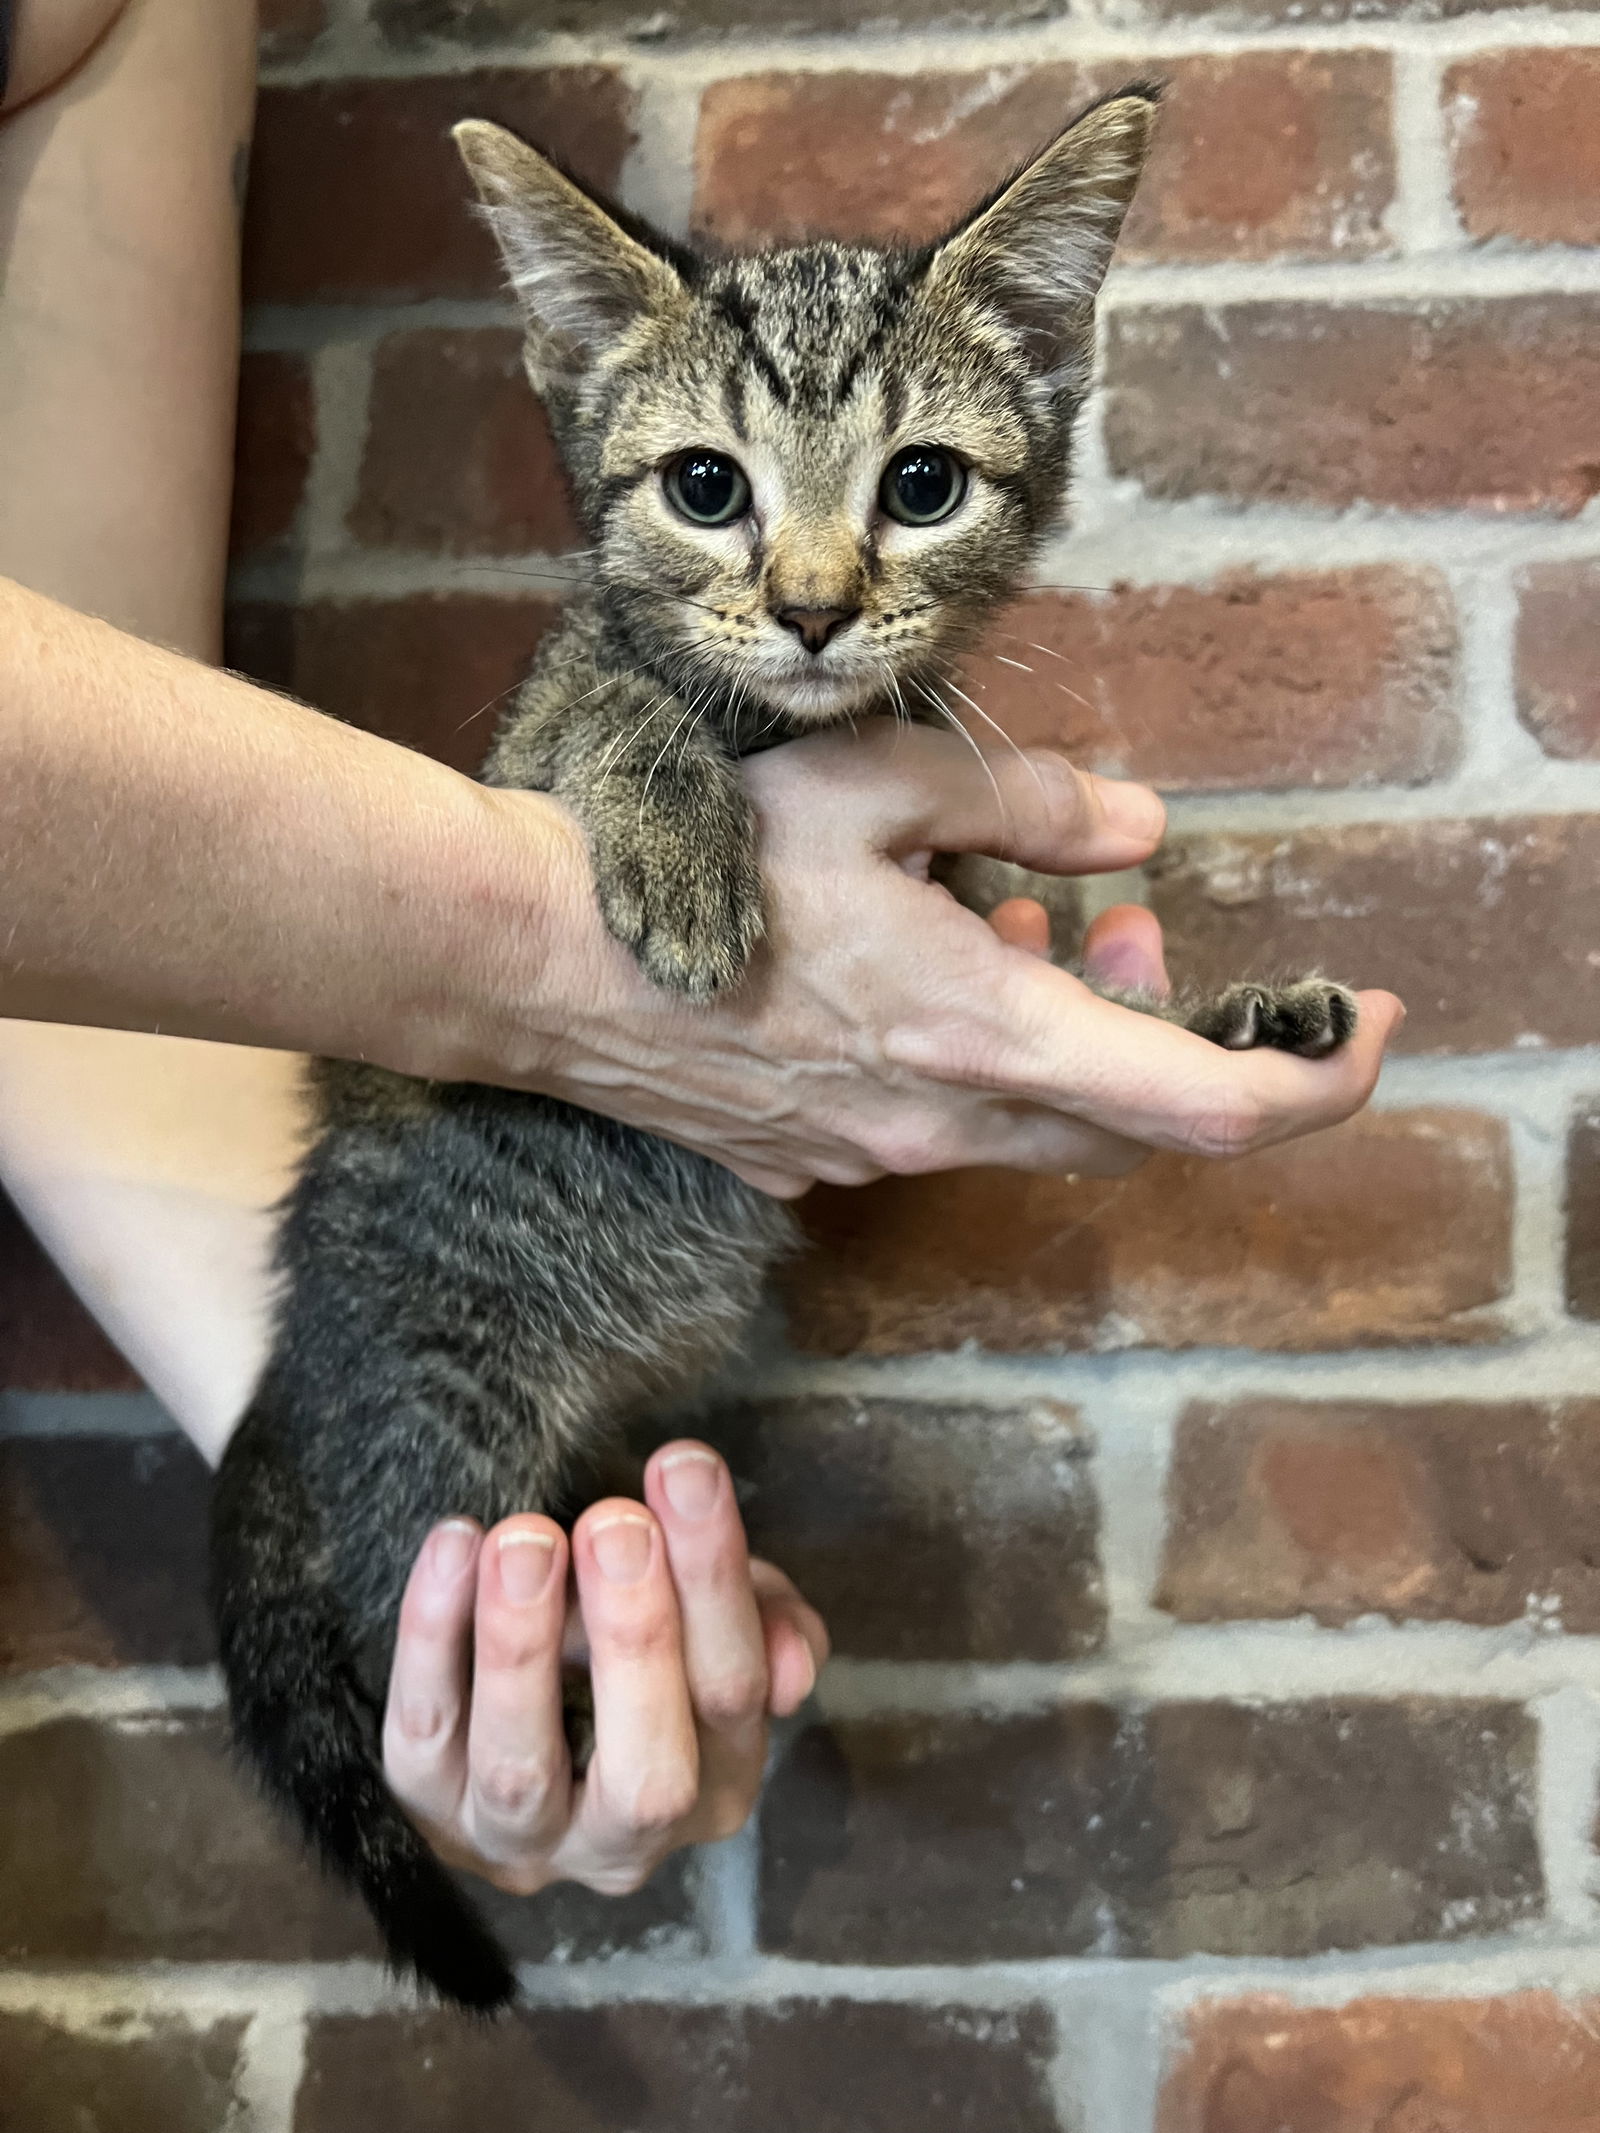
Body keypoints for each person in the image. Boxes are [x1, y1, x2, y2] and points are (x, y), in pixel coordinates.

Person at [0, 0, 1401, 1905]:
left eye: (918, 487)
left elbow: (90, 838)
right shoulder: (626, 693)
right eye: (716, 488)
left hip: (521, 1318)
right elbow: (585, 765)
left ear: (1049, 374)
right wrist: (560, 930)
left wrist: (1108, 1034)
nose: (815, 590)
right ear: (576, 374)